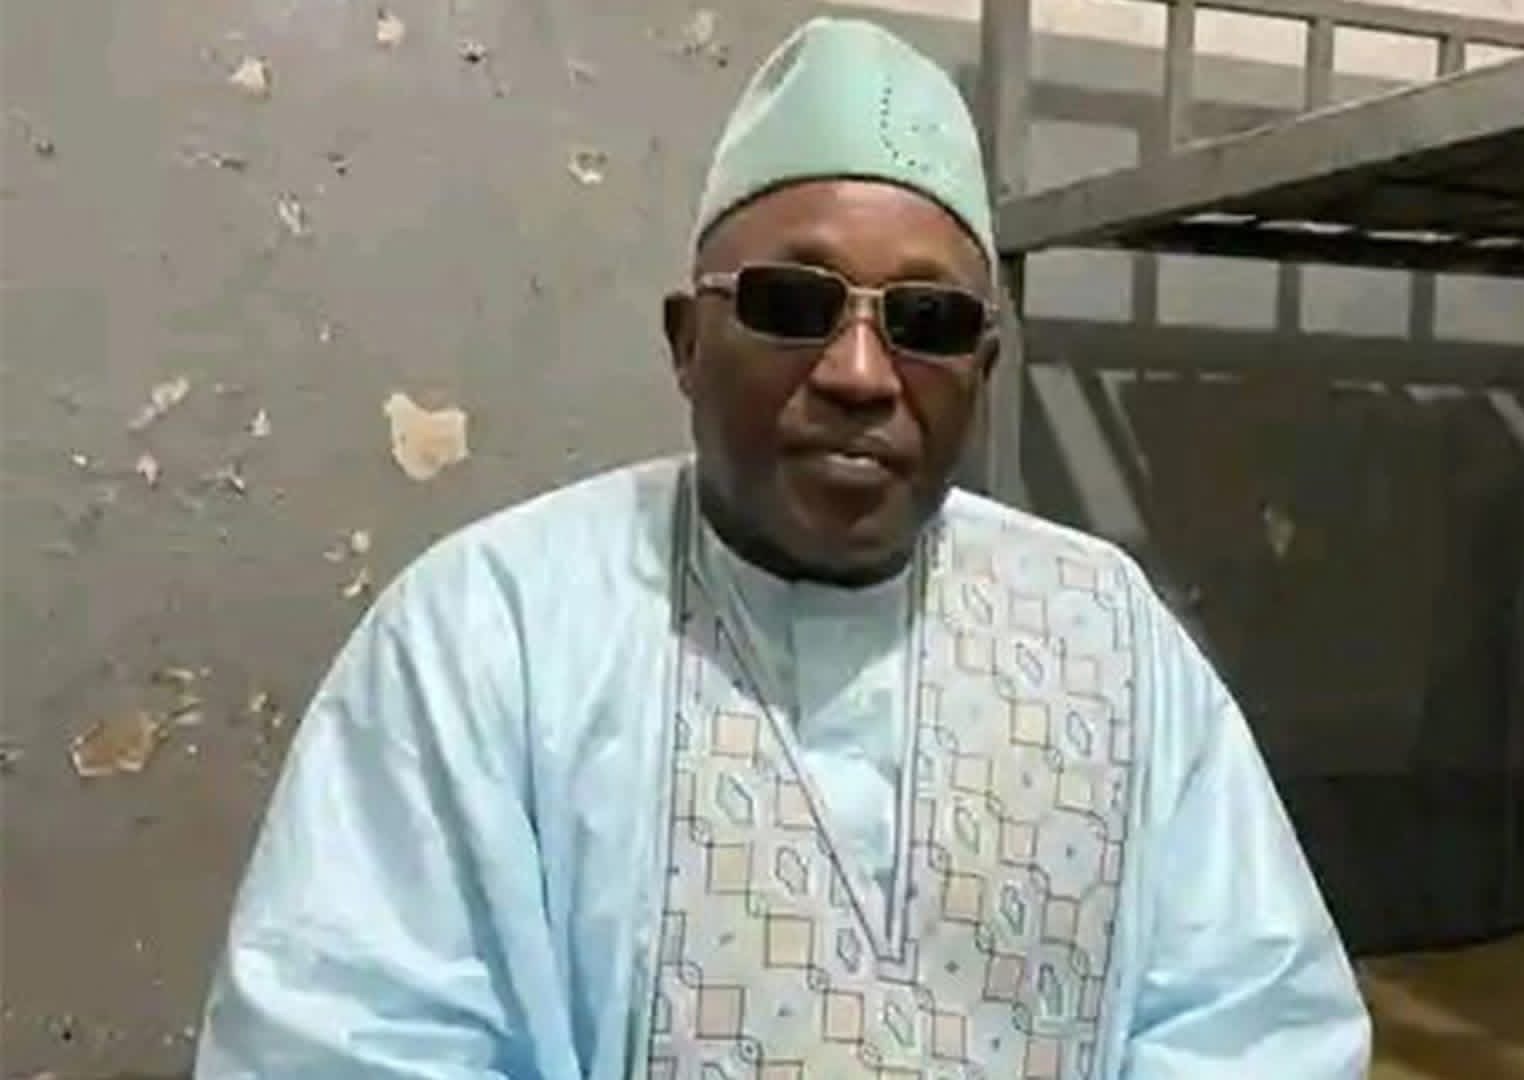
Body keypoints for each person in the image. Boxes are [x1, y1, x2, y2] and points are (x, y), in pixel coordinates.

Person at [195, 16, 1370, 1079]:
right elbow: (340, 1042)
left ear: (982, 371)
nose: (860, 374)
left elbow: (1258, 1029)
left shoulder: (1108, 639)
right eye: (792, 303)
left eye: (926, 322)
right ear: (685, 343)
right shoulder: (485, 634)